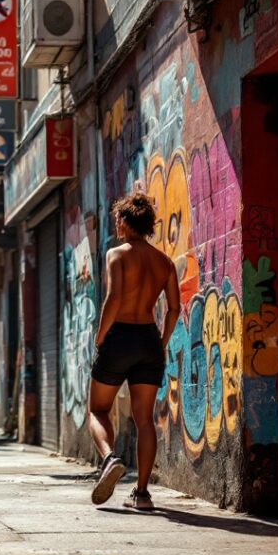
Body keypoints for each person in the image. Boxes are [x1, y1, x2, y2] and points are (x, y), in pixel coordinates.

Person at [89, 193, 181, 511]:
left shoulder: (117, 254)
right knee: (144, 420)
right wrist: (163, 342)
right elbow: (174, 309)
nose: (116, 224)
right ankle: (142, 494)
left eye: (118, 219)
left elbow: (114, 298)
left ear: (126, 223)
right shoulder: (164, 262)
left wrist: (101, 337)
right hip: (149, 340)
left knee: (98, 410)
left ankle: (110, 459)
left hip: (119, 337)